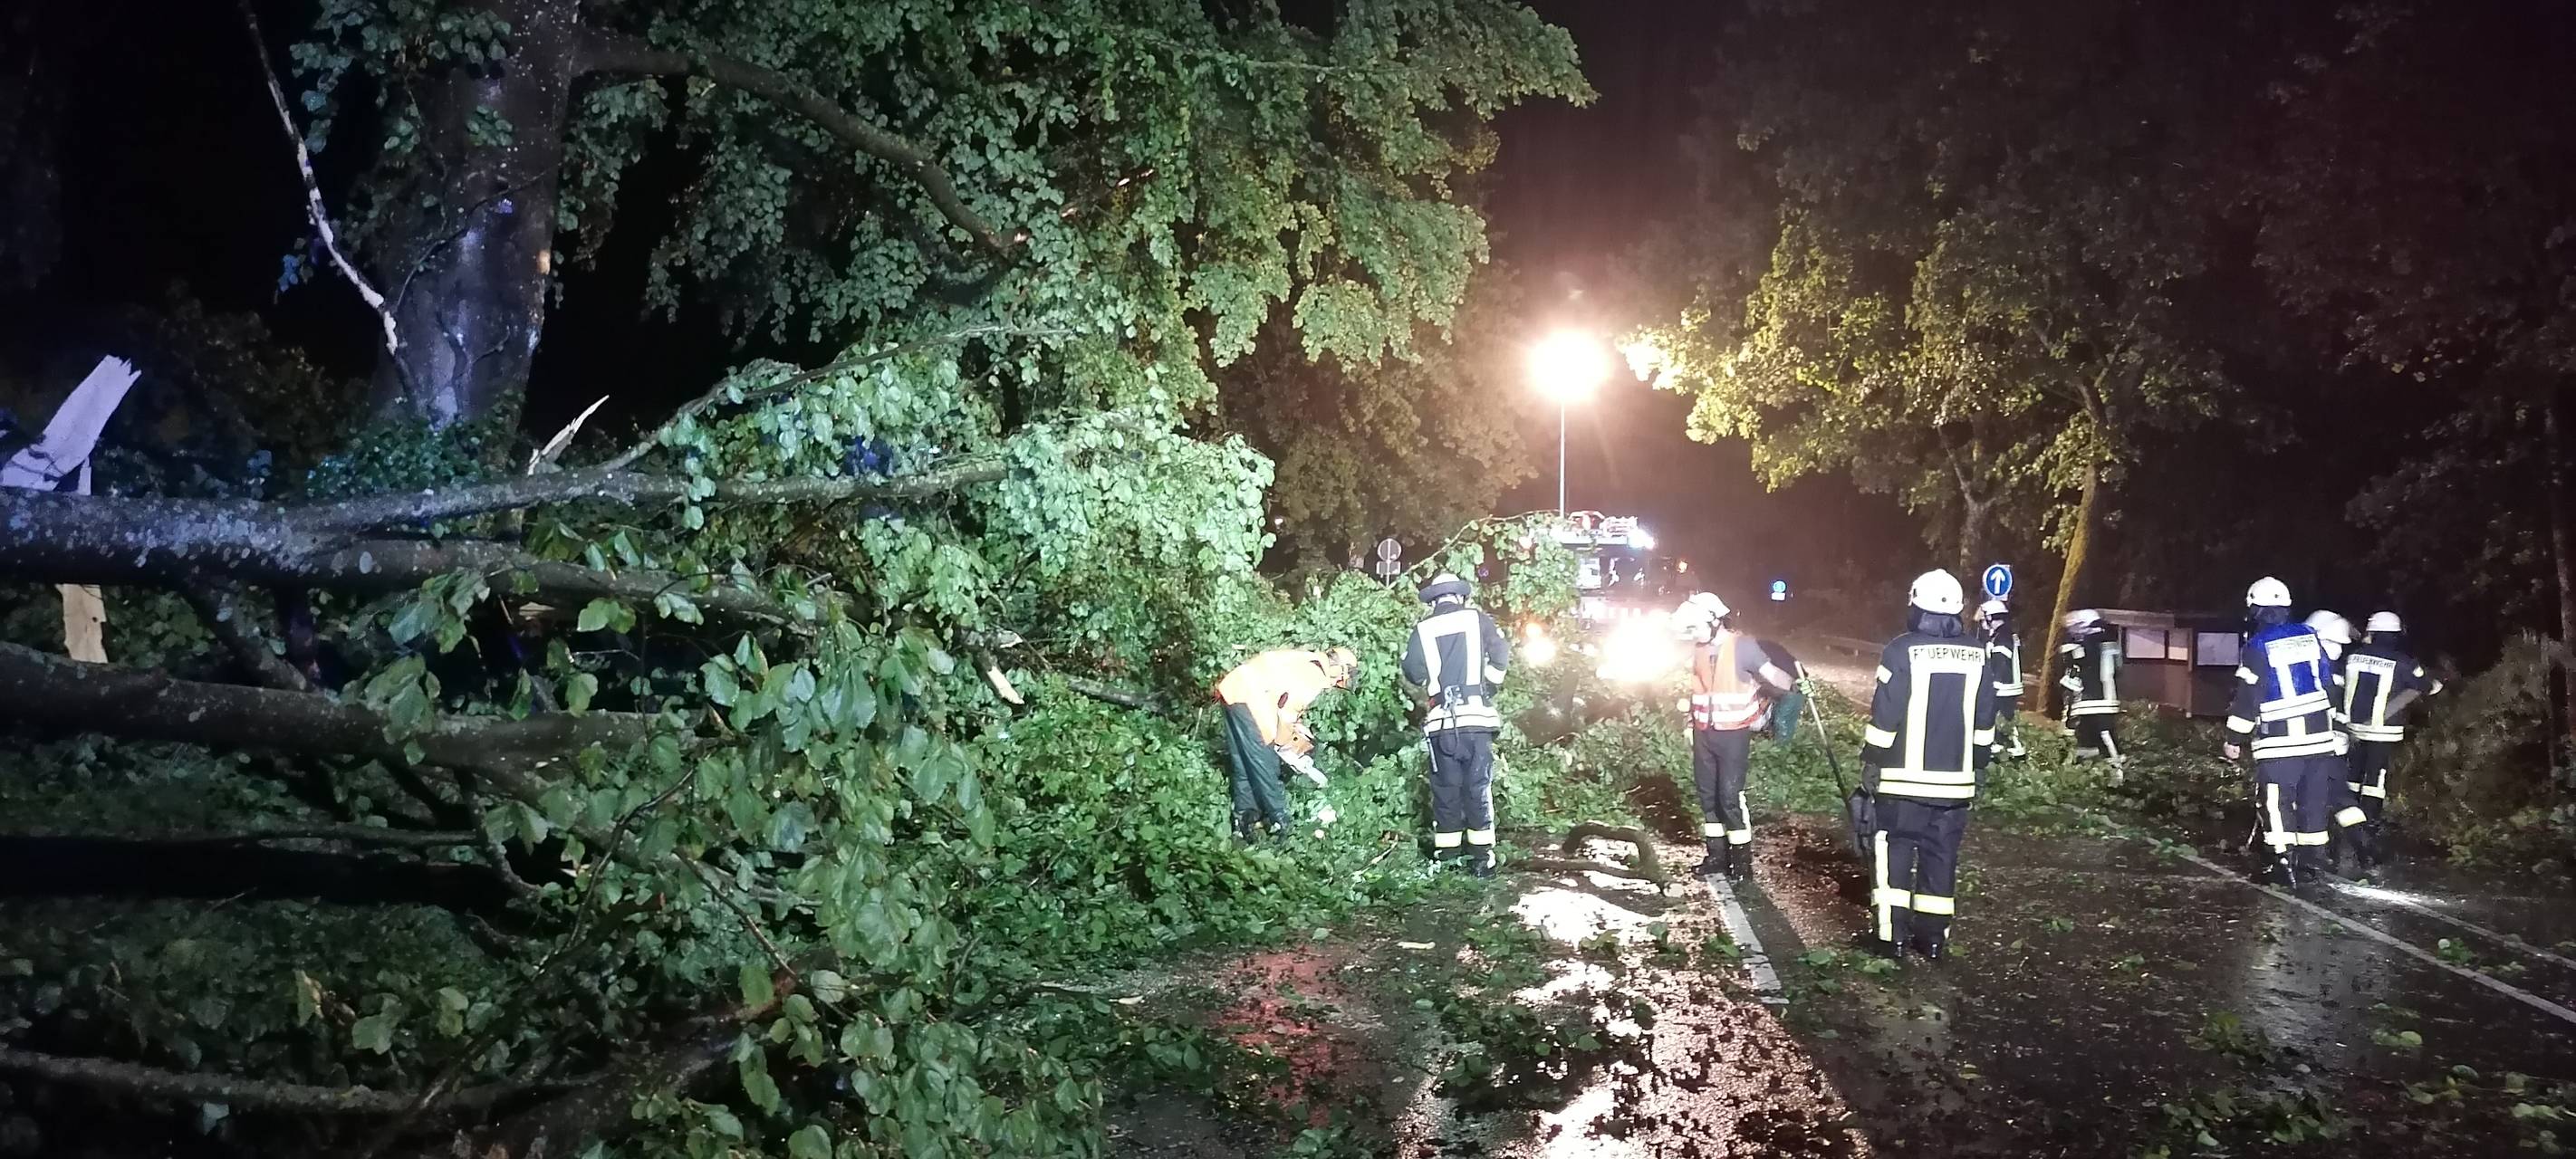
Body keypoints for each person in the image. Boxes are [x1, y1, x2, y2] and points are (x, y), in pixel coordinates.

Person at [1860, 570, 1997, 962]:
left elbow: (1885, 715)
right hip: (1956, 785)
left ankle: (1891, 937)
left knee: (1894, 850)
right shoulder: (1977, 653)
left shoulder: (1900, 650)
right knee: (1942, 859)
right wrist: (1980, 765)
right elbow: (1985, 718)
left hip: (1903, 782)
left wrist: (1871, 760)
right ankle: (1933, 940)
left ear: (1916, 606)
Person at [2225, 578, 2342, 889]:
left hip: (2280, 740)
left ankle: (2282, 862)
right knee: (2313, 800)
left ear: (2255, 609)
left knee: (2276, 800)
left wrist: (2234, 738)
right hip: (2319, 737)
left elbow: (2248, 694)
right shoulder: (2309, 636)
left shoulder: (2256, 646)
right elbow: (2328, 682)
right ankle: (2312, 861)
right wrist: (2338, 724)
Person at [1678, 592, 1796, 880]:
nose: (1693, 633)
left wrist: (1792, 682)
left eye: (1696, 627)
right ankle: (1716, 857)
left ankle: (1741, 864)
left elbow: (1776, 677)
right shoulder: (1700, 649)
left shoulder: (1743, 646)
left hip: (1733, 736)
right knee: (1708, 798)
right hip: (1704, 733)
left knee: (1729, 798)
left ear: (1715, 621)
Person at [1401, 573, 1509, 876]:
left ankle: (1448, 856)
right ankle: (1483, 860)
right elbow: (1501, 653)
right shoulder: (1477, 619)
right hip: (1477, 720)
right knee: (1477, 788)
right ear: (1460, 597)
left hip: (1442, 725)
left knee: (1447, 791)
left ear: (1434, 600)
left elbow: (1414, 673)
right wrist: (1490, 685)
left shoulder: (1423, 628)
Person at [2335, 611, 2444, 875]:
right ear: (2396, 635)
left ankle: (2347, 820)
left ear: (2371, 632)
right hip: (2382, 731)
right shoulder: (2403, 661)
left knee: (2351, 776)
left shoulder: (2352, 656)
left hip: (2352, 728)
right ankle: (2369, 824)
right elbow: (2427, 686)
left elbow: (2337, 684)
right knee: (2375, 781)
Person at [1215, 646, 1358, 842]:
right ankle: (1282, 825)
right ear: (1338, 668)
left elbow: (1285, 702)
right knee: (1266, 765)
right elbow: (1286, 715)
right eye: (1345, 675)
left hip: (1234, 689)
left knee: (1243, 763)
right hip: (1252, 699)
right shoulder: (1313, 676)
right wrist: (1287, 746)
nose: (1341, 682)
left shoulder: (1307, 661)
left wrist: (1295, 732)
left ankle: (1243, 821)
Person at [2058, 608, 2124, 775]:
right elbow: (2118, 669)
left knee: (2102, 735)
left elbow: (2076, 668)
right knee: (2090, 738)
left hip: (2093, 698)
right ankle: (2092, 773)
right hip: (2105, 697)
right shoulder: (2110, 642)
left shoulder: (2087, 644)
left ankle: (2116, 773)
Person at [1978, 599, 2028, 759]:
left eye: (1985, 617)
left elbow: (2000, 662)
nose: (1983, 621)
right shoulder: (2006, 634)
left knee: (1995, 715)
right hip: (2009, 685)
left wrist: (1995, 683)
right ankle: (2011, 745)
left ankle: (2007, 746)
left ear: (1992, 617)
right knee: (2006, 715)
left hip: (2004, 686)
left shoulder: (2002, 636)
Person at [1755, 637, 1808, 745]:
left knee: (1781, 721)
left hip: (1793, 687)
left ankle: (1783, 750)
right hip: (1787, 685)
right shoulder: (1757, 647)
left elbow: (1780, 681)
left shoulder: (1758, 654)